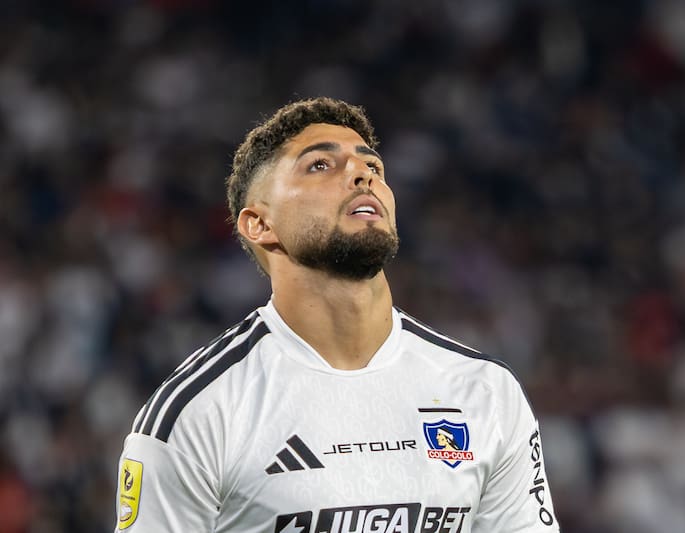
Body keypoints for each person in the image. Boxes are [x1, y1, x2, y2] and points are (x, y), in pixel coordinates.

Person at [114, 97, 560, 533]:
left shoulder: (484, 391)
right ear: (259, 224)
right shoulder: (201, 412)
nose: (362, 175)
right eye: (321, 165)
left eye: (373, 167)